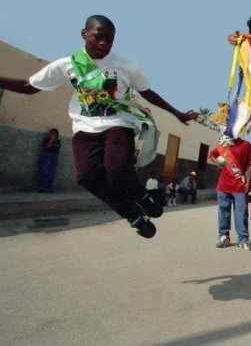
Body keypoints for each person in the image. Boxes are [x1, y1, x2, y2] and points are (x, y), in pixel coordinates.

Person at [0, 15, 199, 239]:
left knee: (116, 168)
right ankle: (132, 213)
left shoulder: (125, 65)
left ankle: (142, 197)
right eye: (98, 37)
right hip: (85, 128)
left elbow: (148, 93)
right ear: (84, 34)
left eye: (110, 40)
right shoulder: (68, 64)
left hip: (118, 123)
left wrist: (178, 113)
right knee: (87, 176)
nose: (104, 44)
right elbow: (29, 86)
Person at [209, 136, 251, 250]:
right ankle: (224, 236)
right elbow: (211, 154)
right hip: (223, 185)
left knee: (241, 213)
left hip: (240, 185)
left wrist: (248, 183)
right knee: (223, 211)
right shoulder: (223, 144)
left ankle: (243, 239)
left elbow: (250, 164)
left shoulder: (245, 144)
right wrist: (218, 163)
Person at [37, 128, 61, 192]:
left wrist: (54, 141)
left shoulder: (58, 141)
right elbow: (46, 147)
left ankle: (49, 187)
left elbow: (57, 149)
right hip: (46, 155)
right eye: (51, 133)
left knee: (52, 172)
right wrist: (51, 140)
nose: (53, 134)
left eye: (54, 133)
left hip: (54, 157)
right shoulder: (46, 139)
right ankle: (42, 187)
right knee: (44, 171)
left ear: (57, 135)